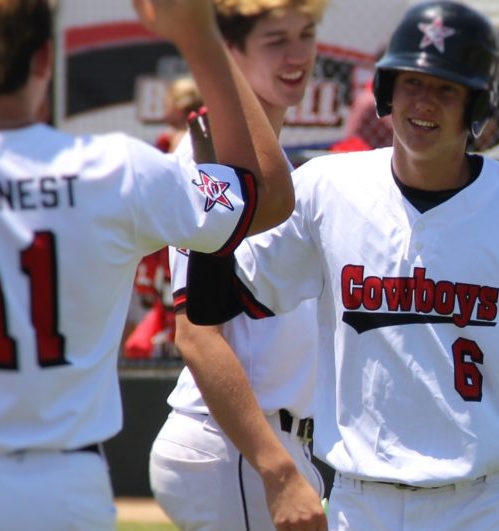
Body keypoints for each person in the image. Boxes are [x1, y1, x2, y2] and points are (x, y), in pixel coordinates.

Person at [185, 2, 499, 529]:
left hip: (480, 502)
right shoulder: (328, 188)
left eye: (447, 88)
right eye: (411, 83)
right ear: (386, 91)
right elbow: (214, 305)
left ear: (477, 105)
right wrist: (215, 207)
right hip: (361, 501)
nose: (424, 102)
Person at [0, 0, 297, 528]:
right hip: (67, 489)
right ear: (46, 58)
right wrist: (200, 38)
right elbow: (270, 196)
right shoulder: (118, 172)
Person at [147, 1, 329, 529]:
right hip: (236, 449)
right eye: (276, 41)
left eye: (307, 34)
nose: (298, 56)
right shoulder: (205, 163)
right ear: (228, 51)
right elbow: (197, 335)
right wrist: (277, 470)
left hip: (256, 447)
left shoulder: (266, 158)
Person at [156, 76, 203, 153]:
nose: (164, 112)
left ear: (180, 107)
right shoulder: (204, 136)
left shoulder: (177, 139)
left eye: (166, 105)